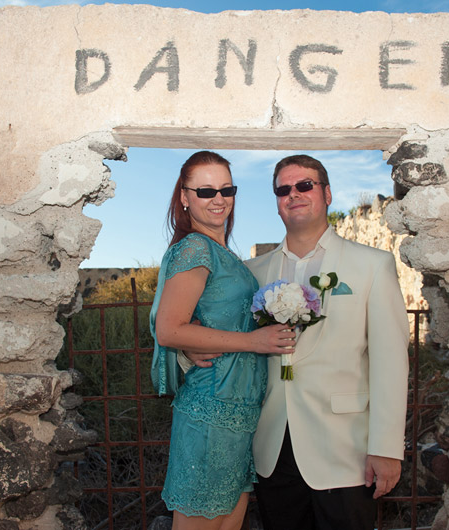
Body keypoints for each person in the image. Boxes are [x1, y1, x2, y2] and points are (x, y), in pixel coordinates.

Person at [190, 154, 410, 530]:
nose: (294, 194)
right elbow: (219, 335)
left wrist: (386, 448)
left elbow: (391, 362)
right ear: (276, 202)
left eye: (304, 185)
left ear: (326, 193)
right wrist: (191, 348)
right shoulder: (251, 273)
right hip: (271, 448)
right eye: (283, 189)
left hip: (348, 450)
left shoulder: (373, 265)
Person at [149, 150, 295, 530]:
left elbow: (197, 322)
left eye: (227, 189)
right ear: (184, 197)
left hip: (239, 413)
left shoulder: (222, 253)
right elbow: (169, 329)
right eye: (205, 191)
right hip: (211, 411)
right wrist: (256, 342)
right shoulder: (195, 248)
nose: (218, 199)